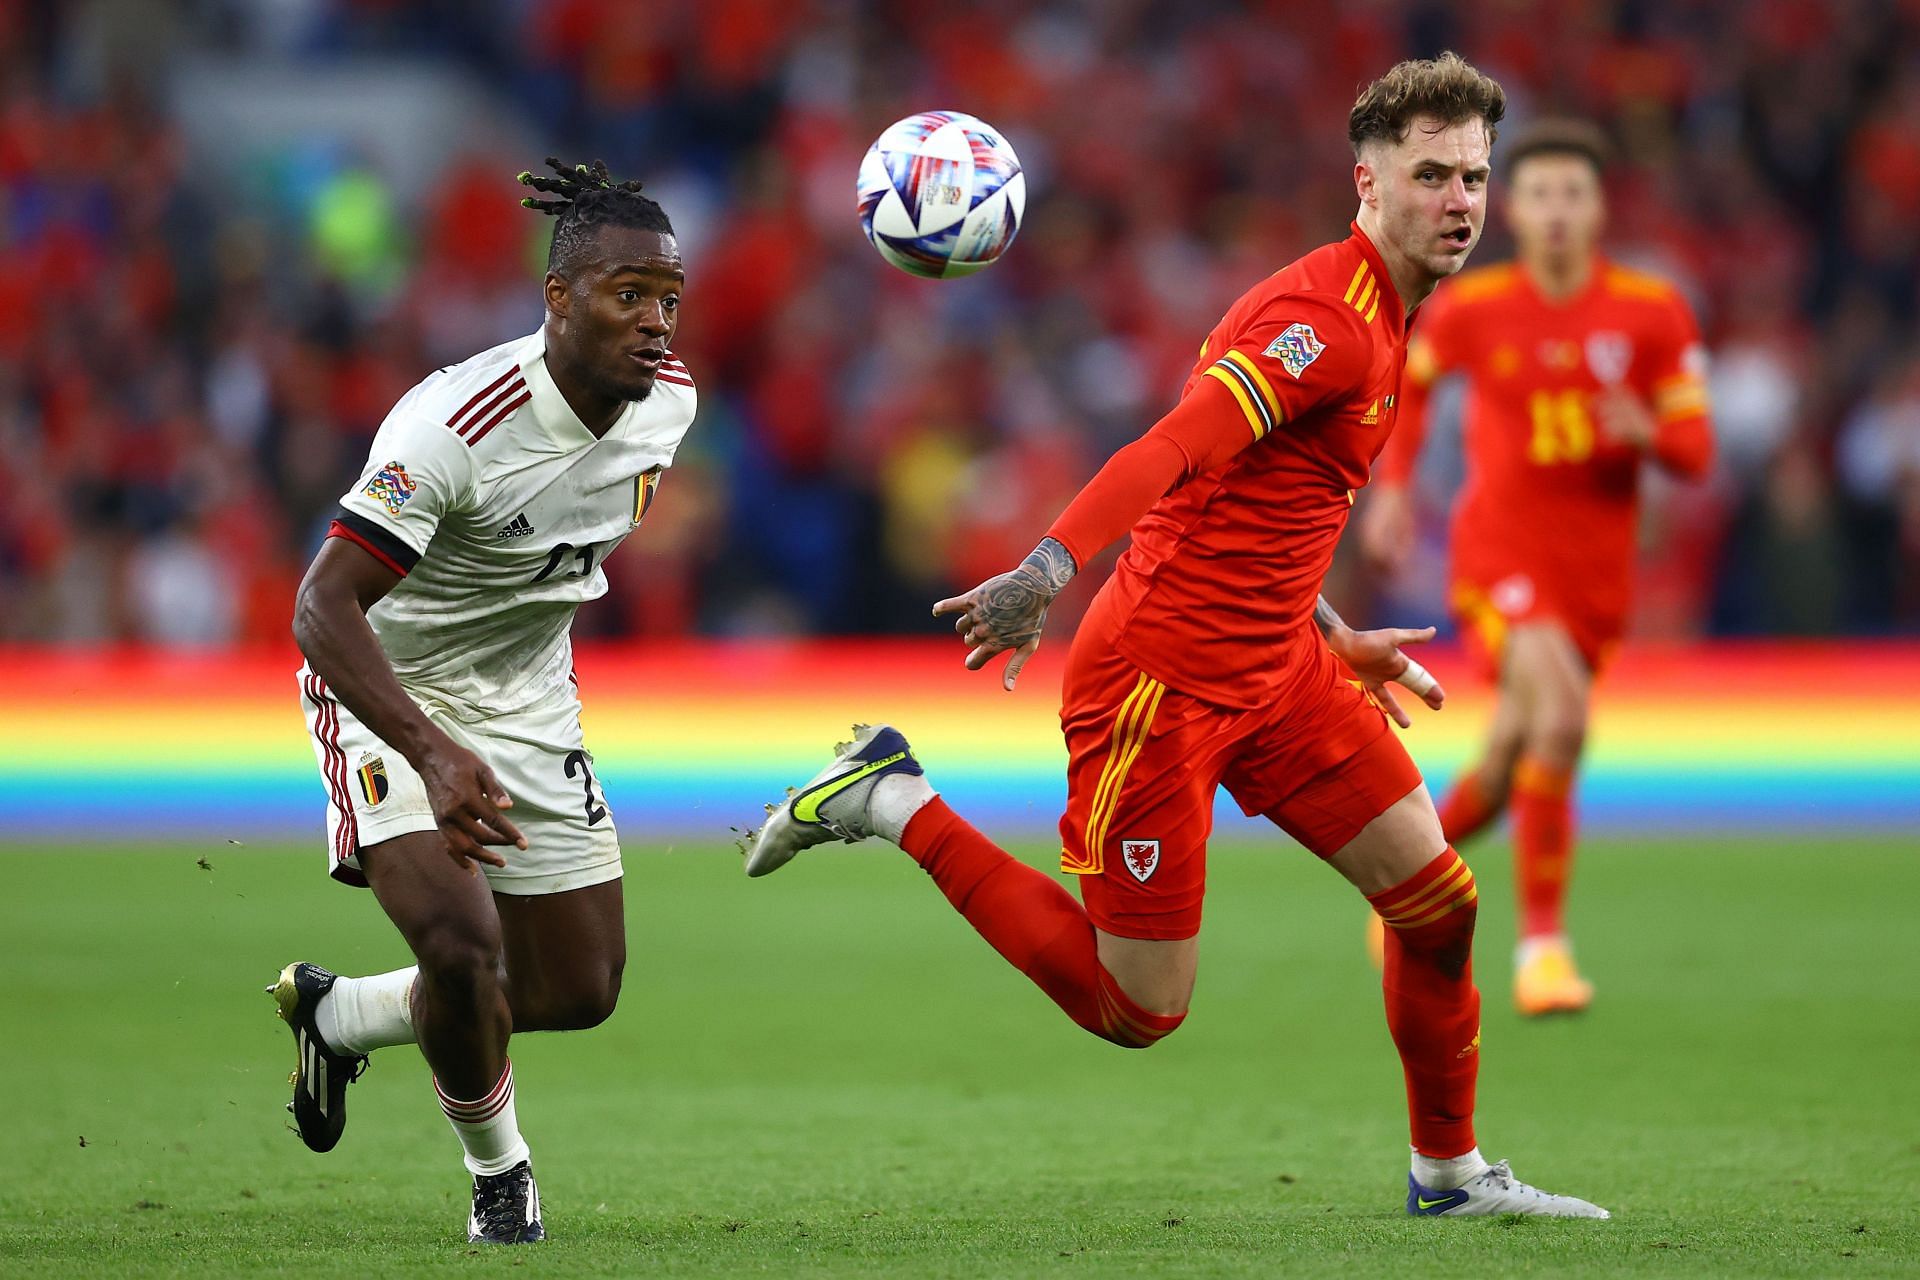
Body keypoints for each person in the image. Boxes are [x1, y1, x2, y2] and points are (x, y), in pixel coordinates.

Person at [746, 56, 1608, 1218]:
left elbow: (1255, 505)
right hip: (1162, 679)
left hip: (1280, 668)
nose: (1460, 201)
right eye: (1431, 176)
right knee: (1136, 1007)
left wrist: (1333, 631)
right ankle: (891, 798)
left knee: (1438, 901)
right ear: (1368, 183)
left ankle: (1449, 1176)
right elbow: (1176, 449)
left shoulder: (1389, 312)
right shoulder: (1327, 323)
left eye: (1473, 176)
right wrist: (1048, 565)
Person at [271, 158, 696, 1245]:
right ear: (558, 298)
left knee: (580, 986)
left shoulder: (671, 406)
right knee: (461, 950)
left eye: (668, 299)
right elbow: (321, 605)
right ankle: (498, 1175)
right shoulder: (454, 423)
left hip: (529, 698)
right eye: (627, 294)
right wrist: (430, 752)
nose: (655, 322)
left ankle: (345, 1010)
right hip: (386, 686)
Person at [1359, 120, 1714, 1015]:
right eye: (1540, 194)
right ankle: (1543, 950)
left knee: (1519, 747)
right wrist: (1396, 490)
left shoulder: (1651, 311)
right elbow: (1410, 385)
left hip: (1595, 574)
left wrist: (1652, 434)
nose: (1556, 210)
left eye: (1574, 193)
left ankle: (1407, 888)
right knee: (1560, 719)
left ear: (1598, 209)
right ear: (1511, 208)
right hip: (1502, 556)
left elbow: (1697, 448)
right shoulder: (1477, 307)